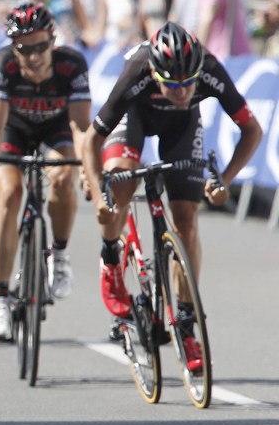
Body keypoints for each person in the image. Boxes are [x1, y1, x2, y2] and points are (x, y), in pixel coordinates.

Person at [80, 22, 262, 372]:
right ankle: (111, 259)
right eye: (172, 85)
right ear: (154, 71)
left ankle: (186, 321)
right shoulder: (136, 71)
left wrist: (224, 179)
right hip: (134, 118)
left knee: (187, 220)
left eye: (188, 84)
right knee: (120, 185)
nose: (181, 92)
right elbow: (91, 140)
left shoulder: (208, 68)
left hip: (181, 127)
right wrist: (97, 188)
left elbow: (252, 130)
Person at [0, 2, 91, 342]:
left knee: (63, 177)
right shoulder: (4, 64)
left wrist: (87, 168)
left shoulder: (72, 65)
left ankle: (61, 254)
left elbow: (81, 126)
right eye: (25, 49)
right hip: (15, 131)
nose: (34, 56)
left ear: (53, 40)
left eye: (41, 46)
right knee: (9, 195)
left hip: (56, 130)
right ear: (14, 48)